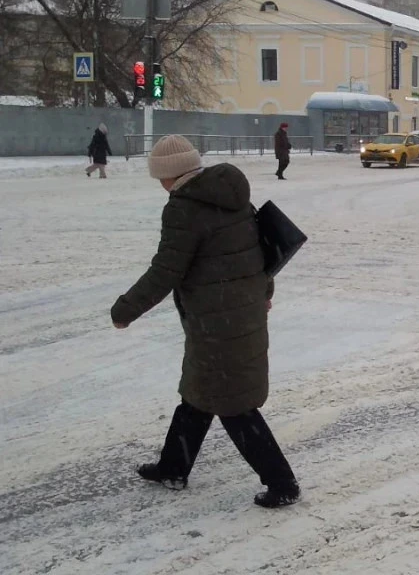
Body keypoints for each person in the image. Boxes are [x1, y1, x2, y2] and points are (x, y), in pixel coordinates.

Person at [110, 134, 300, 508]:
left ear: (172, 174)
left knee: (234, 405)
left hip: (218, 322)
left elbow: (166, 270)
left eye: (159, 177)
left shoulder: (185, 207)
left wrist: (125, 310)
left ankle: (283, 483)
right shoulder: (229, 194)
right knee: (198, 393)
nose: (159, 185)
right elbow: (255, 254)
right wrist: (265, 293)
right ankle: (173, 467)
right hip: (236, 311)